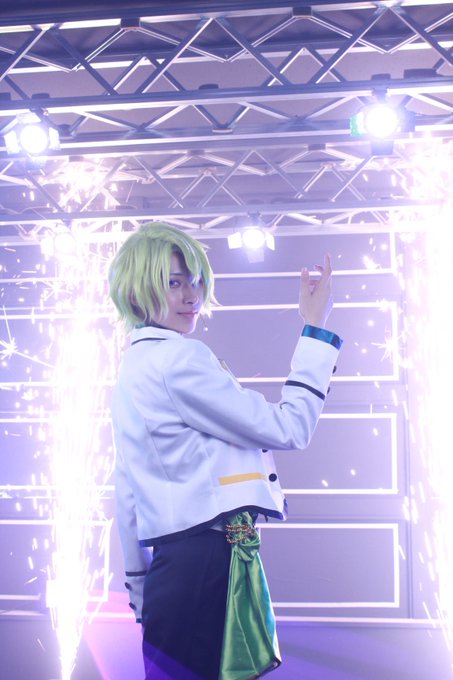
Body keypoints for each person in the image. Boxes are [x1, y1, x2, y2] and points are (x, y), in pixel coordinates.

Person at [108, 221, 342, 680]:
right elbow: (289, 427)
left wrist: (140, 587)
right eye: (173, 283)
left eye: (195, 281)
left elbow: (127, 492)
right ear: (136, 292)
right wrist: (315, 327)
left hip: (171, 575)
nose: (191, 296)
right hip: (206, 566)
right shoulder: (180, 358)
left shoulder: (131, 370)